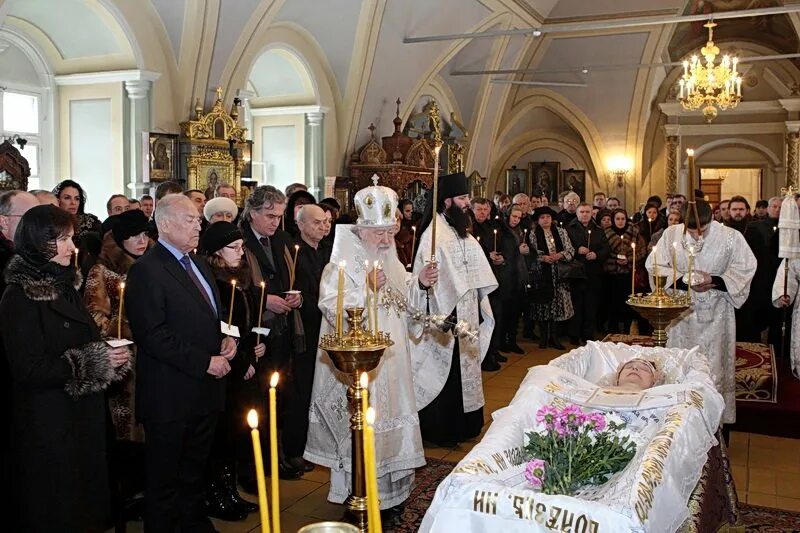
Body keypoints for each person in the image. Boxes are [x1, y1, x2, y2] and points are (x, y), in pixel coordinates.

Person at [305, 181, 437, 512]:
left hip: (392, 360)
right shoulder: (340, 262)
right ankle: (360, 491)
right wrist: (364, 288)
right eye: (378, 232)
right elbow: (330, 304)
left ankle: (392, 493)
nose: (385, 238)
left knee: (390, 422)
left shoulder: (390, 258)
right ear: (361, 228)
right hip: (360, 362)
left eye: (389, 231)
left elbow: (401, 299)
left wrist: (418, 282)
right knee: (362, 424)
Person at [0, 204, 131, 532]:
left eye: (71, 238)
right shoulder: (19, 296)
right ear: (36, 242)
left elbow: (83, 339)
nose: (72, 248)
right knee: (57, 508)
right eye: (61, 240)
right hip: (49, 423)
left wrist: (109, 356)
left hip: (81, 417)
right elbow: (28, 368)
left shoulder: (65, 285)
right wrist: (97, 361)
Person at [126, 194, 236, 532]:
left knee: (194, 472)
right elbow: (153, 335)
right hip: (170, 394)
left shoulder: (198, 263)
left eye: (197, 220)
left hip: (204, 392)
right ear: (166, 224)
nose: (198, 225)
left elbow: (207, 316)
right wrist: (206, 361)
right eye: (190, 220)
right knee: (165, 479)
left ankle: (193, 524)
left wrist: (225, 339)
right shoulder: (147, 270)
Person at [646, 199, 756, 424]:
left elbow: (746, 267)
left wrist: (714, 279)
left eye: (702, 230)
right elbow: (654, 266)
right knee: (681, 367)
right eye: (692, 231)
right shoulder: (671, 235)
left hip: (717, 314)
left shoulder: (731, 237)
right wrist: (685, 279)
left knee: (713, 369)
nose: (697, 236)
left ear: (712, 219)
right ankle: (677, 422)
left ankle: (714, 423)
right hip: (680, 314)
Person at [411, 171, 497, 447]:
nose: (468, 203)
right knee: (446, 373)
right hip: (445, 314)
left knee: (466, 369)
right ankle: (441, 430)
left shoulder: (462, 233)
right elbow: (424, 279)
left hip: (467, 309)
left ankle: (465, 425)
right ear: (447, 201)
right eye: (462, 198)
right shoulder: (434, 235)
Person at [239, 185, 304, 479]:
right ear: (252, 213)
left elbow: (290, 276)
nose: (274, 222)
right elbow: (235, 288)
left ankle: (276, 457)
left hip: (281, 329)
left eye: (279, 216)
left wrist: (295, 297)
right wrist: (266, 300)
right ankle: (255, 465)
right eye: (269, 215)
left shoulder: (282, 239)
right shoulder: (239, 241)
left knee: (278, 396)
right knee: (257, 400)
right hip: (255, 331)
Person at [199, 222, 263, 520]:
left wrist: (254, 351)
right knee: (221, 434)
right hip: (226, 368)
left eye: (241, 247)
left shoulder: (241, 278)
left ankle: (231, 490)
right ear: (215, 252)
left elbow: (246, 325)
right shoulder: (214, 283)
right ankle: (216, 494)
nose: (241, 253)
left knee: (237, 431)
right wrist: (242, 360)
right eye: (233, 248)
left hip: (243, 363)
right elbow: (223, 329)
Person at [291, 204, 331, 473]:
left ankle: (323, 445)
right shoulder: (294, 252)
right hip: (305, 328)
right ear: (301, 224)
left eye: (326, 222)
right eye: (317, 222)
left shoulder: (330, 251)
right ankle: (296, 447)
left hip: (328, 327)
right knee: (302, 390)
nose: (324, 227)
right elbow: (296, 291)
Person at [528, 205, 575, 349]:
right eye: (542, 217)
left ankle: (554, 337)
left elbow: (570, 250)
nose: (545, 220)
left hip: (558, 274)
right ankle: (543, 337)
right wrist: (542, 258)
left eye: (548, 217)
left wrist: (560, 255)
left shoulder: (561, 232)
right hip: (542, 274)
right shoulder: (533, 234)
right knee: (543, 305)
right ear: (538, 220)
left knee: (556, 306)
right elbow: (530, 254)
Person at [739, 196, 783, 343]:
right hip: (760, 278)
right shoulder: (755, 226)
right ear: (769, 208)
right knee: (756, 319)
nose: (777, 210)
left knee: (777, 319)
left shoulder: (790, 228)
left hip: (780, 277)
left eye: (780, 207)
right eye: (774, 206)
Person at [567, 202, 610, 345]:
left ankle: (588, 334)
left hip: (593, 273)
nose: (584, 214)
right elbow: (564, 246)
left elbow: (606, 248)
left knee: (591, 306)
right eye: (582, 212)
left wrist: (596, 254)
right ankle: (574, 334)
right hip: (576, 273)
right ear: (577, 214)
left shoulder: (598, 229)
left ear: (592, 213)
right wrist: (577, 249)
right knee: (576, 305)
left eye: (587, 212)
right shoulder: (569, 229)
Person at [603, 208, 646, 334]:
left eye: (623, 219)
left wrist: (629, 259)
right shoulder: (606, 232)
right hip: (611, 274)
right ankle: (613, 329)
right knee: (612, 303)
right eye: (617, 219)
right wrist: (615, 258)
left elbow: (642, 251)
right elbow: (603, 250)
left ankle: (627, 329)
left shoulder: (634, 231)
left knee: (627, 303)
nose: (620, 221)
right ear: (613, 220)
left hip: (628, 274)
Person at [53, 179, 102, 244]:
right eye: (67, 198)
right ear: (57, 200)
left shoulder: (91, 222)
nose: (73, 203)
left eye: (77, 199)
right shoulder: (50, 224)